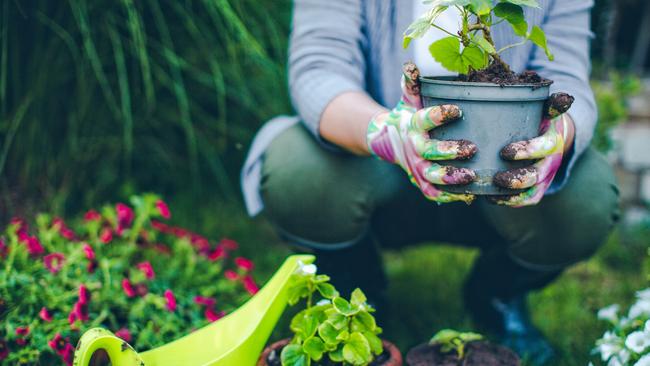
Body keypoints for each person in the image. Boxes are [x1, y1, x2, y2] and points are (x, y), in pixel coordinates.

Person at [241, 0, 620, 364]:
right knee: (298, 170)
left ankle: (497, 293)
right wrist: (387, 134)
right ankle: (356, 284)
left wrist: (560, 134)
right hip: (373, 163)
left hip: (500, 167)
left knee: (586, 197)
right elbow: (319, 68)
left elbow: (567, 73)